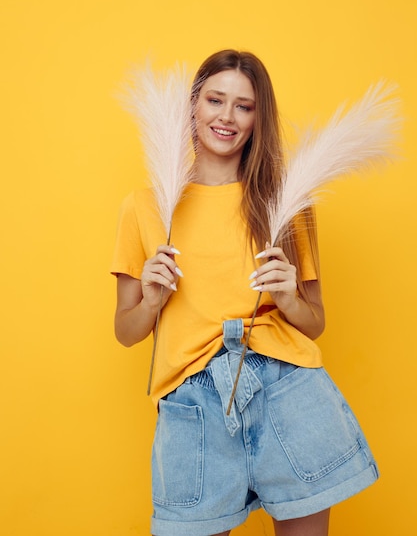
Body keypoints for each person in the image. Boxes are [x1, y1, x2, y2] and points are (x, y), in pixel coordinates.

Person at [111, 49, 379, 536]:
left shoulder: (285, 198)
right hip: (193, 401)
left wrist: (291, 295)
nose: (227, 117)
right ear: (193, 105)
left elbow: (315, 322)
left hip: (287, 389)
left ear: (259, 118)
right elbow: (126, 332)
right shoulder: (144, 206)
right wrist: (151, 299)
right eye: (215, 100)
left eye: (244, 106)